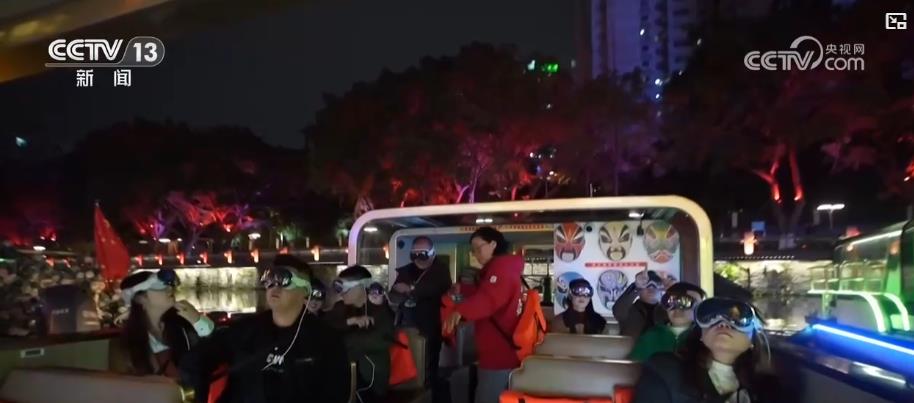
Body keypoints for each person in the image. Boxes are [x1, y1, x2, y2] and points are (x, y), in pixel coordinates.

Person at [179, 254, 350, 403]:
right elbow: (197, 360)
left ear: (305, 291)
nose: (274, 286)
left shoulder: (326, 340)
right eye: (270, 279)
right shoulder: (245, 330)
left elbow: (336, 395)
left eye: (283, 279)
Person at [634, 297, 770, 403]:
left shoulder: (769, 387)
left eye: (738, 319)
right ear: (701, 335)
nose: (723, 324)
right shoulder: (666, 370)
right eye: (711, 318)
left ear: (753, 339)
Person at [444, 227, 524, 403]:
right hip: (500, 350)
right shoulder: (502, 268)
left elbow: (489, 299)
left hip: (499, 354)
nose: (475, 254)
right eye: (473, 250)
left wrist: (461, 311)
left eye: (478, 248)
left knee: (488, 396)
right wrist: (464, 289)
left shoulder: (501, 269)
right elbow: (486, 292)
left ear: (493, 244)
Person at [119, 269, 214, 377]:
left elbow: (217, 351)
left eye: (169, 285)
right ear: (140, 299)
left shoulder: (183, 324)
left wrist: (198, 320)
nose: (169, 289)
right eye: (159, 287)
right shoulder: (130, 342)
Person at [389, 236, 452, 397]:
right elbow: (394, 294)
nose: (418, 258)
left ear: (432, 253)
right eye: (414, 254)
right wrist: (398, 293)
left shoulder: (440, 270)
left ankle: (430, 394)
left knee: (429, 365)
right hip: (406, 324)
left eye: (422, 254)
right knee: (406, 363)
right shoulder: (406, 270)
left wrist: (410, 289)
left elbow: (436, 288)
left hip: (431, 324)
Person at [324, 266, 395, 403]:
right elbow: (322, 326)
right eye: (339, 289)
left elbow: (382, 339)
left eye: (344, 288)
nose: (341, 293)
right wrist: (350, 321)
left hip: (369, 378)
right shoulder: (342, 307)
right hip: (343, 374)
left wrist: (340, 341)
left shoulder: (379, 309)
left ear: (361, 286)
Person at [630, 282, 707, 361]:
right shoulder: (651, 336)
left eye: (686, 302)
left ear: (699, 308)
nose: (677, 309)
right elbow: (634, 365)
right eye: (671, 302)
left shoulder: (705, 336)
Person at [612, 270, 670, 338]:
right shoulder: (629, 310)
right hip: (634, 344)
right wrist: (637, 287)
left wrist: (670, 291)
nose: (651, 289)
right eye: (647, 285)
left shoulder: (666, 312)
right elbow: (618, 310)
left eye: (656, 285)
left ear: (661, 289)